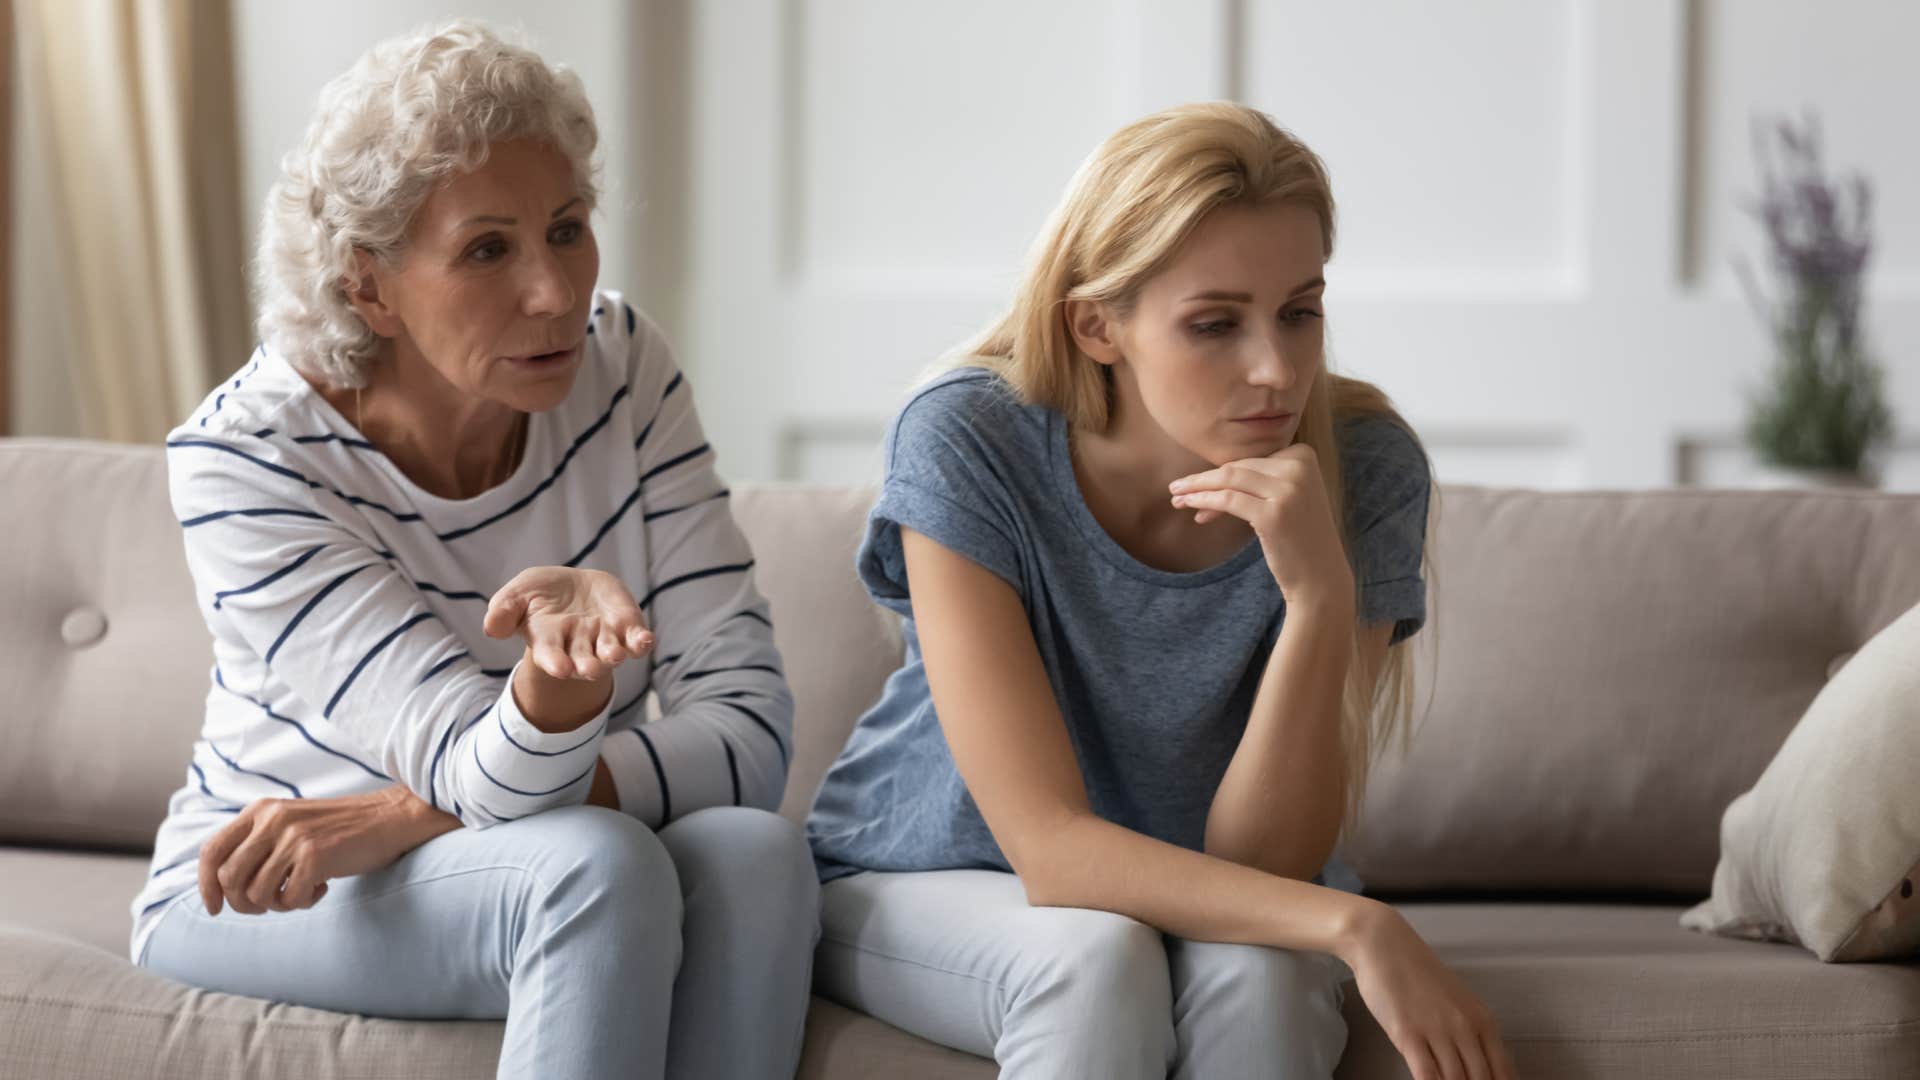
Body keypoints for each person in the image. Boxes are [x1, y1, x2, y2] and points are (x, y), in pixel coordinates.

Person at [130, 22, 817, 1080]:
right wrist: (557, 684)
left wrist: (397, 815)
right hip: (264, 885)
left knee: (758, 857)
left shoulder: (620, 363)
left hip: (422, 837)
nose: (554, 293)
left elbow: (752, 730)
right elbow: (469, 764)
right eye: (488, 248)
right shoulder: (245, 461)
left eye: (568, 228)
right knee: (588, 868)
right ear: (369, 286)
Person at [806, 102, 1515, 1080]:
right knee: (1095, 961)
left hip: (1225, 890)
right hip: (933, 873)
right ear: (1098, 326)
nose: (1278, 370)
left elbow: (1262, 863)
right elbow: (1051, 851)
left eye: (1300, 312)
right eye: (1215, 323)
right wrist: (1358, 924)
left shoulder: (1366, 465)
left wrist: (1315, 599)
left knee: (1261, 986)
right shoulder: (969, 438)